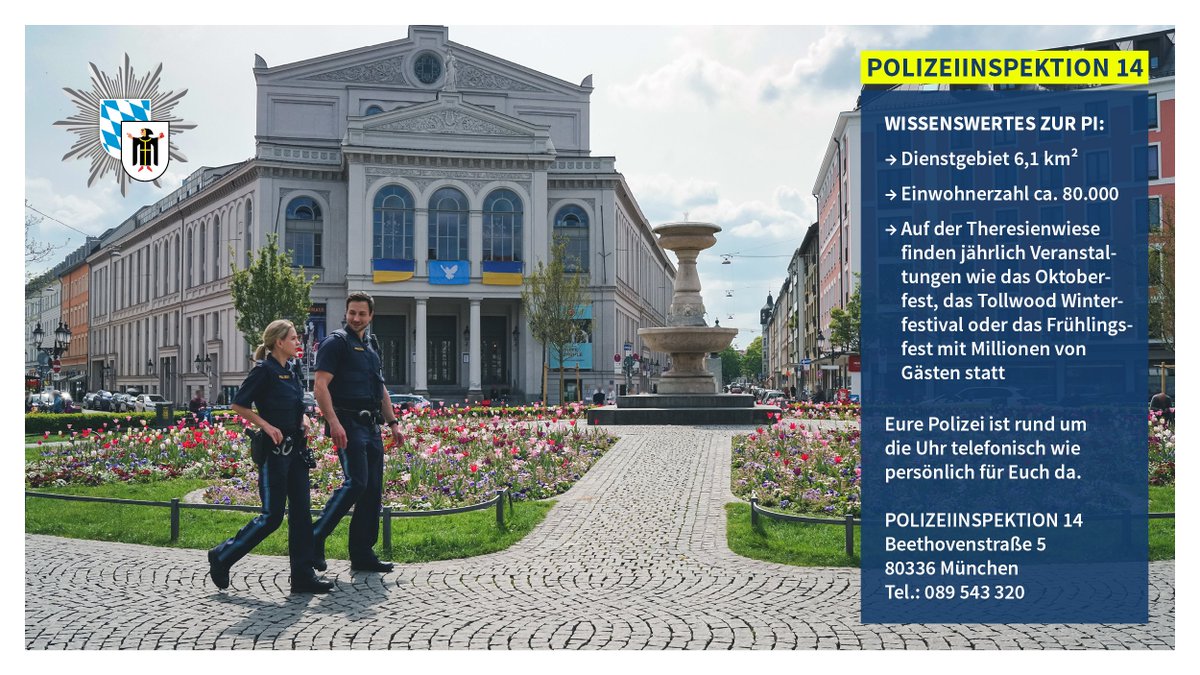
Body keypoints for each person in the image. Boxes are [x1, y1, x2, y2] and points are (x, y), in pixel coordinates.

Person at [207, 320, 333, 594]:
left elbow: (297, 403)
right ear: (279, 342)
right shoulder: (264, 371)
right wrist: (265, 425)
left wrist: (303, 418)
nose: (298, 343)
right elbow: (238, 404)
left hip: (296, 451)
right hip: (275, 454)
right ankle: (222, 556)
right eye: (293, 339)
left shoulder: (293, 368)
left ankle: (302, 578)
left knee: (301, 515)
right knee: (272, 517)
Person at [310, 292, 403, 573]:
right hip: (347, 425)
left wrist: (393, 423)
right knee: (357, 483)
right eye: (352, 312)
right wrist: (334, 422)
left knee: (372, 490)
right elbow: (320, 386)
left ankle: (362, 554)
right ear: (346, 312)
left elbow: (380, 388)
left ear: (371, 316)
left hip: (371, 426)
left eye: (362, 314)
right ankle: (314, 538)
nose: (356, 318)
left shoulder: (372, 346)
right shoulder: (335, 344)